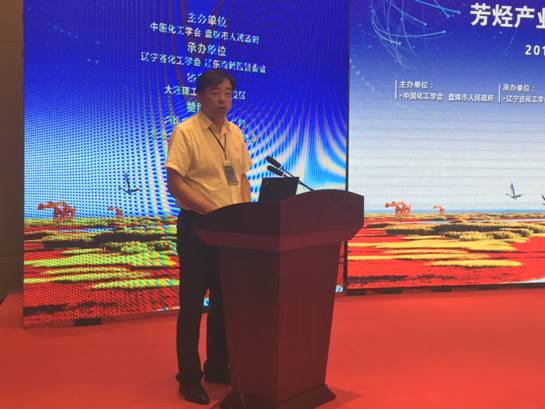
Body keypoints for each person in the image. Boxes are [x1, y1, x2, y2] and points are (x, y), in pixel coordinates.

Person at [165, 69, 252, 405]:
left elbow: (242, 177)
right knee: (191, 305)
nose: (223, 100)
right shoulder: (186, 132)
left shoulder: (235, 133)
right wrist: (214, 213)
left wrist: (245, 213)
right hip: (198, 228)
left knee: (224, 302)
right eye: (215, 93)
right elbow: (176, 184)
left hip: (229, 231)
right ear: (199, 97)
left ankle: (216, 367)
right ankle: (189, 378)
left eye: (228, 93)